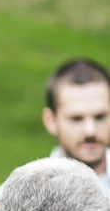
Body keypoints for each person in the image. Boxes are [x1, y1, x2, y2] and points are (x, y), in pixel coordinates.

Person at [42, 57, 110, 192]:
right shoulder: (19, 195)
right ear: (51, 121)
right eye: (76, 119)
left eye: (100, 117)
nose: (90, 131)